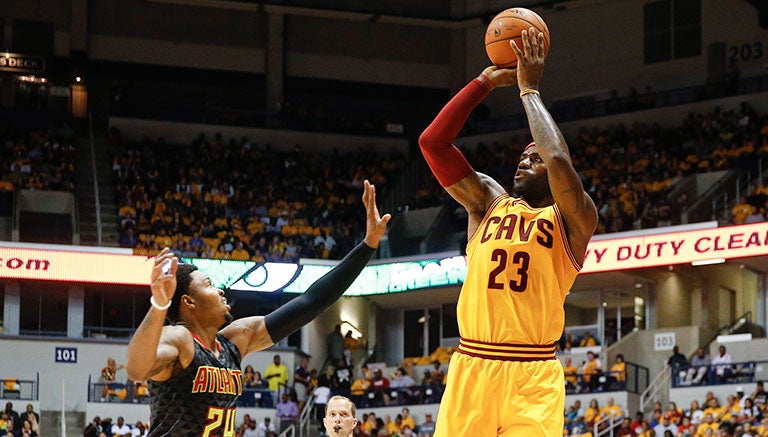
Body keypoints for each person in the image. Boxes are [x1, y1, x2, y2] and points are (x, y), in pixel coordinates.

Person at [418, 27, 597, 436]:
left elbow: (557, 157)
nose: (523, 161)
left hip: (533, 374)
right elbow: (432, 143)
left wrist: (528, 91)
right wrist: (482, 83)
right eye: (521, 157)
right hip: (473, 366)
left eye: (533, 159)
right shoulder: (487, 202)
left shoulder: (575, 218)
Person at [124, 181, 390, 436]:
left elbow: (310, 302)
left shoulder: (235, 340)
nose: (219, 291)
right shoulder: (180, 338)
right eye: (209, 285)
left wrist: (367, 246)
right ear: (188, 302)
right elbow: (136, 370)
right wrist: (159, 304)